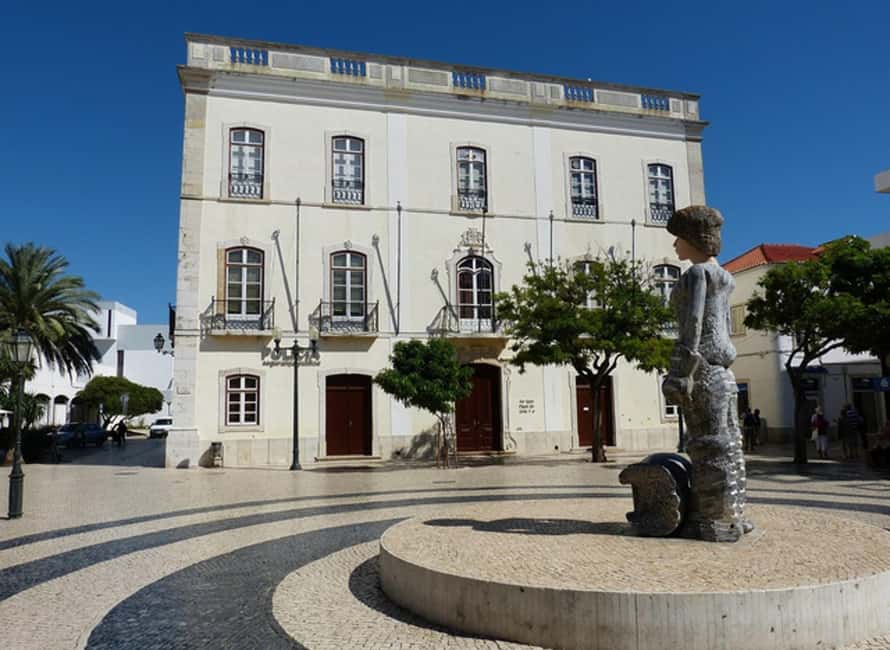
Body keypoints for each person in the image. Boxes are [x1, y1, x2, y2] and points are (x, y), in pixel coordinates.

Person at [661, 206, 750, 541]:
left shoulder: (697, 274)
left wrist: (681, 372)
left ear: (691, 239)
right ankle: (733, 514)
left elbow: (694, 324)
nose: (674, 248)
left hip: (703, 367)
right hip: (723, 368)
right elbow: (723, 323)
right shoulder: (725, 276)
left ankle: (713, 520)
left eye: (678, 240)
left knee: (706, 445)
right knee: (729, 445)